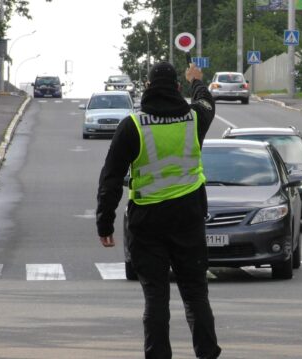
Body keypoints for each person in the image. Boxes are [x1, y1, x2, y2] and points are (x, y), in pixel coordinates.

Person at [96, 62, 221, 359]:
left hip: (147, 223)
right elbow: (206, 100)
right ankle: (206, 353)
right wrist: (196, 80)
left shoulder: (133, 125)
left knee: (155, 298)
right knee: (195, 295)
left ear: (148, 88)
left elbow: (111, 177)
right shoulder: (194, 118)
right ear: (177, 88)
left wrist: (105, 222)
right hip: (188, 219)